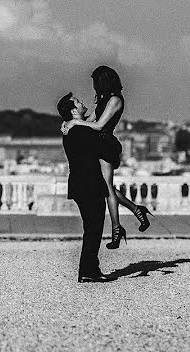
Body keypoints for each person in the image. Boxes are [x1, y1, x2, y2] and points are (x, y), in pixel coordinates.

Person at [61, 66, 153, 249]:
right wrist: (68, 122)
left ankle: (117, 229)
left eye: (96, 83)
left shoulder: (115, 100)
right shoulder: (103, 99)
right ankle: (135, 211)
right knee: (106, 187)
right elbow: (90, 120)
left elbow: (99, 125)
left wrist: (74, 121)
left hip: (106, 145)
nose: (94, 87)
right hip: (99, 143)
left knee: (107, 187)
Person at [57, 92, 114, 282]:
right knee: (93, 228)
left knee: (91, 228)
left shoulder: (72, 129)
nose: (82, 103)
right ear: (74, 111)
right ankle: (89, 270)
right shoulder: (82, 131)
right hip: (89, 185)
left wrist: (76, 122)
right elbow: (105, 148)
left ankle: (89, 269)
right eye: (78, 102)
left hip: (80, 185)